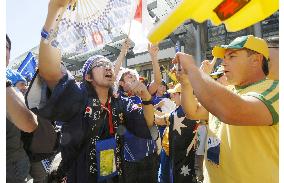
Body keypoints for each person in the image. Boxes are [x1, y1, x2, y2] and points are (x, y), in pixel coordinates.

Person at [28, 1, 155, 182]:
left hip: (115, 176)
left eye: (109, 64)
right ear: (88, 77)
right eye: (100, 65)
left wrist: (147, 100)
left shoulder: (119, 102)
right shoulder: (77, 98)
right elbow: (49, 72)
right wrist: (53, 14)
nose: (108, 67)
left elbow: (146, 123)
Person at [174, 35, 278, 183]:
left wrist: (192, 69)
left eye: (232, 56)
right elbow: (193, 112)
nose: (224, 63)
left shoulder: (275, 89)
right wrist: (185, 83)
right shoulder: (228, 91)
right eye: (224, 58)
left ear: (256, 60)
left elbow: (232, 111)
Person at [116, 67, 159, 183]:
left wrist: (155, 142)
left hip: (150, 154)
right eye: (129, 77)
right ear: (121, 83)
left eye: (134, 76)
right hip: (131, 157)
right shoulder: (118, 99)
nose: (134, 78)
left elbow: (150, 123)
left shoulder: (141, 95)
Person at [6, 34, 38, 183]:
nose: (24, 88)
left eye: (6, 47)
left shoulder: (9, 92)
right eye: (20, 85)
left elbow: (30, 124)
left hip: (17, 166)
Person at [155, 83, 197, 183]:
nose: (172, 96)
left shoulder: (181, 111)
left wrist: (146, 108)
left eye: (175, 94)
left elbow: (160, 120)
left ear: (183, 95)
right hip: (184, 152)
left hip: (174, 152)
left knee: (168, 177)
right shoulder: (191, 107)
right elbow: (165, 116)